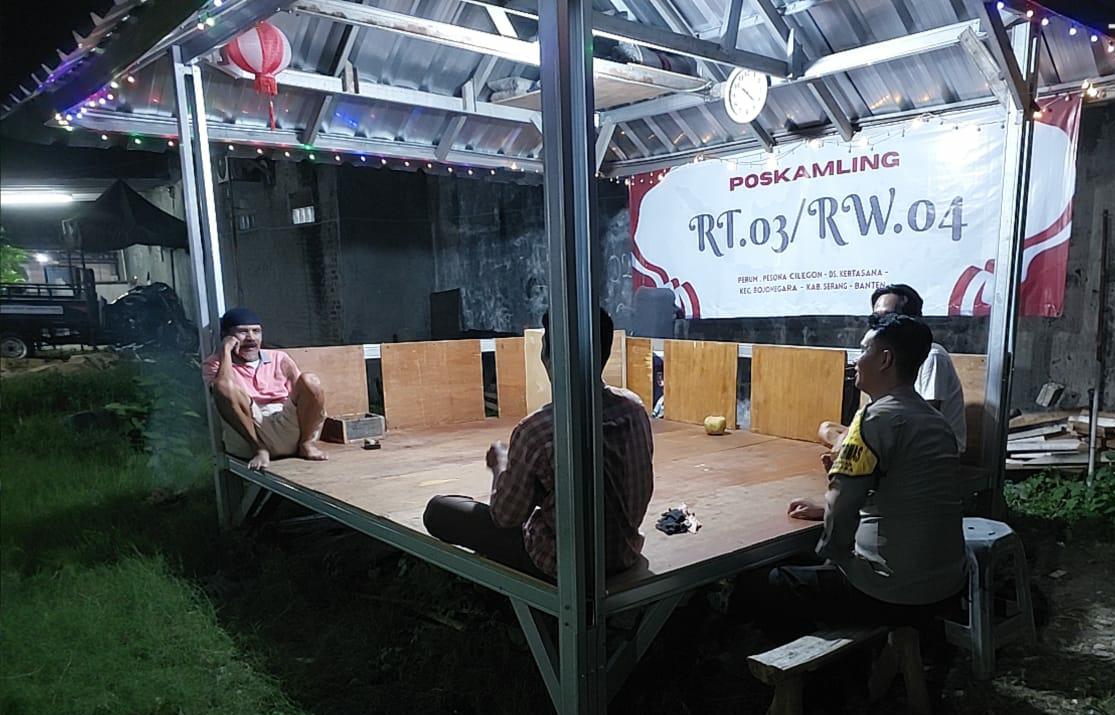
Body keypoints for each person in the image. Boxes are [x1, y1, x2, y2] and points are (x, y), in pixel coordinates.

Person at [774, 313, 966, 641]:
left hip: (891, 594)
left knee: (773, 582)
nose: (856, 360)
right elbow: (905, 496)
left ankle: (836, 667)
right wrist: (824, 508)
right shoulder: (936, 423)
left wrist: (835, 558)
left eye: (863, 350)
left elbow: (841, 510)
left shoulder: (872, 420)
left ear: (885, 360)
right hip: (948, 585)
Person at [423, 308, 654, 580]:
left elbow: (505, 517)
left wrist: (500, 466)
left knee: (440, 511)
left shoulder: (538, 430)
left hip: (565, 564)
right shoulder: (634, 409)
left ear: (548, 356)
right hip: (624, 554)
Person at [819, 284, 966, 463]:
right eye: (875, 318)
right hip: (892, 429)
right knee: (827, 428)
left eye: (887, 317)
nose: (879, 325)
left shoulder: (931, 356)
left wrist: (855, 442)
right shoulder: (880, 358)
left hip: (929, 447)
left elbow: (921, 423)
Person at [202, 307, 328, 471]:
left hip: (285, 422)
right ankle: (259, 449)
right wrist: (225, 351)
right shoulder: (215, 364)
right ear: (227, 336)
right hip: (248, 430)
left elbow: (304, 397)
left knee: (310, 380)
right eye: (242, 332)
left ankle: (307, 444)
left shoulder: (278, 358)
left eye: (256, 331)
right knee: (223, 386)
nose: (251, 338)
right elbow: (222, 392)